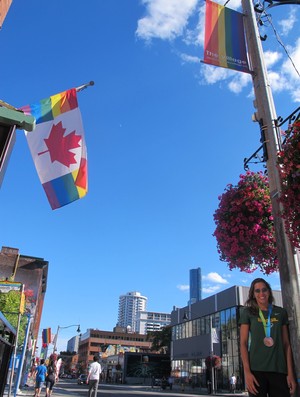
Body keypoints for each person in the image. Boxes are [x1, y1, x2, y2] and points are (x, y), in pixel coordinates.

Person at [239, 278, 296, 397]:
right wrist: (247, 373)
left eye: (264, 290)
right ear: (253, 294)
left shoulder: (280, 312)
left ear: (269, 291)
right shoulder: (248, 312)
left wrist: (290, 374)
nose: (261, 294)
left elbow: (286, 344)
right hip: (256, 372)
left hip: (279, 370)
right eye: (257, 291)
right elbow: (243, 343)